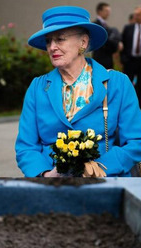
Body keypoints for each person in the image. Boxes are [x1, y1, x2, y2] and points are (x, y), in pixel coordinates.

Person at [15, 6, 141, 177]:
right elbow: (26, 146)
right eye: (48, 41)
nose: (52, 47)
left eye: (60, 39)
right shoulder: (37, 88)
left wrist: (100, 168)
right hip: (53, 187)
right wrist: (45, 175)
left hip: (105, 183)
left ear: (83, 42)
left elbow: (136, 141)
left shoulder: (118, 84)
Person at [122, 6, 141, 106]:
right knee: (128, 83)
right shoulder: (128, 28)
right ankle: (127, 104)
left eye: (138, 15)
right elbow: (123, 44)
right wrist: (123, 59)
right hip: (129, 61)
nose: (135, 16)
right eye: (135, 14)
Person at [92, 2, 121, 69]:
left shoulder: (106, 25)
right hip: (100, 59)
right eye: (106, 11)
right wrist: (116, 44)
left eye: (109, 11)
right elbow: (104, 41)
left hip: (108, 60)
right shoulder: (96, 25)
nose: (108, 13)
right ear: (99, 11)